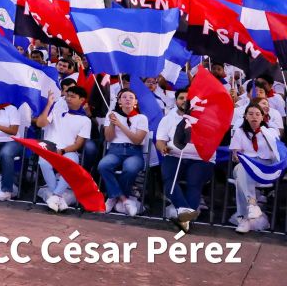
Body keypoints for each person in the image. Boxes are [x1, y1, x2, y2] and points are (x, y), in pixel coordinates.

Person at [157, 87, 213, 232]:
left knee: (194, 182)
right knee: (169, 180)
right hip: (174, 155)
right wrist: (163, 148)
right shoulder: (168, 118)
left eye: (187, 99)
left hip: (200, 159)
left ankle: (184, 218)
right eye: (181, 98)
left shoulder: (205, 117)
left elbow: (212, 140)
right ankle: (186, 215)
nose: (184, 101)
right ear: (176, 101)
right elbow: (160, 141)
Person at [33, 86, 92, 212]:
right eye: (67, 95)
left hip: (69, 150)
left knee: (70, 163)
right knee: (43, 163)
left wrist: (63, 151)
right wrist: (49, 105)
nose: (68, 98)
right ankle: (58, 196)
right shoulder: (56, 109)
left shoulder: (85, 120)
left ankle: (54, 196)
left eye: (73, 96)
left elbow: (78, 143)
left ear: (82, 100)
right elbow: (40, 124)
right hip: (50, 147)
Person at [229, 101, 280, 234]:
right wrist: (238, 157)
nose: (254, 117)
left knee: (241, 177)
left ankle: (244, 218)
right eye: (250, 114)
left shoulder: (270, 132)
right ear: (245, 116)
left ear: (262, 117)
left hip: (265, 168)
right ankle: (252, 204)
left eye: (258, 114)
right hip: (246, 164)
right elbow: (235, 154)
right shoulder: (239, 132)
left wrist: (267, 135)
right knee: (242, 168)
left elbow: (276, 152)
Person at [96, 88, 149, 216]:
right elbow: (108, 138)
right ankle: (123, 199)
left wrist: (120, 124)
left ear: (135, 101)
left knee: (130, 168)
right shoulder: (112, 114)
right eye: (124, 97)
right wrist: (112, 123)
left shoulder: (141, 118)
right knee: (103, 165)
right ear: (119, 101)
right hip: (115, 149)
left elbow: (137, 140)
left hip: (134, 150)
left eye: (131, 97)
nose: (127, 99)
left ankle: (112, 197)